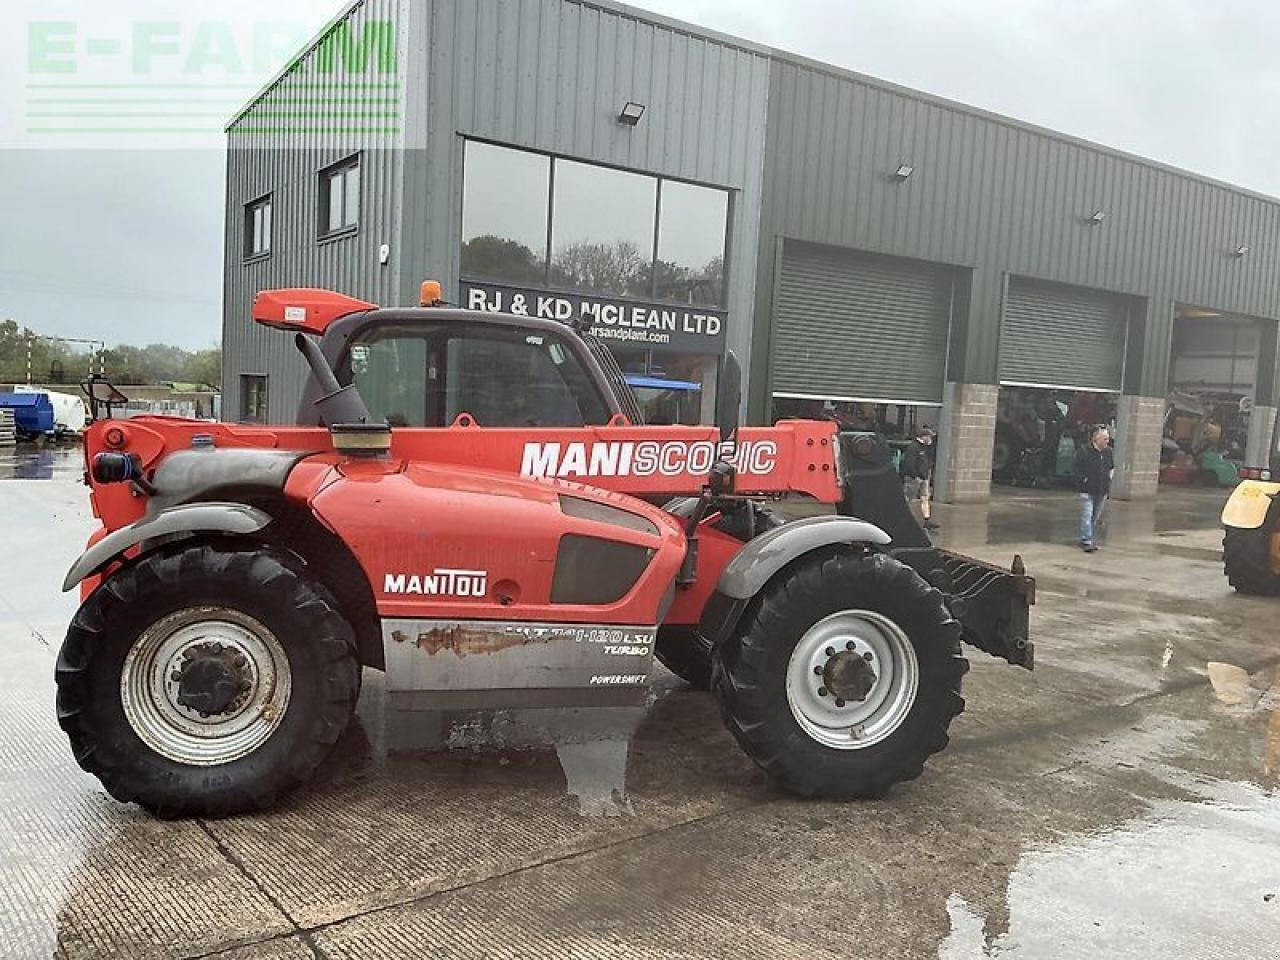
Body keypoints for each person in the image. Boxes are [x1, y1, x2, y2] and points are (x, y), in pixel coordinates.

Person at [1073, 424, 1114, 552]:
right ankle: (1087, 540)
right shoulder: (1084, 452)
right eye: (1105, 439)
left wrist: (1109, 479)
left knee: (1094, 517)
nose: (1107, 441)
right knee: (1087, 514)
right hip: (1087, 490)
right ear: (1096, 439)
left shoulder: (1108, 452)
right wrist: (1083, 480)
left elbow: (1111, 468)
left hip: (1102, 490)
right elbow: (1075, 469)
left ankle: (1085, 536)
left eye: (1107, 438)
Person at [902, 425, 939, 531]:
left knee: (924, 498)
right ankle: (904, 518)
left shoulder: (925, 448)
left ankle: (926, 520)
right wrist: (915, 476)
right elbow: (909, 464)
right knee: (908, 499)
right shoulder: (913, 447)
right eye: (929, 437)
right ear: (924, 436)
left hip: (924, 478)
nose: (931, 439)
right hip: (914, 478)